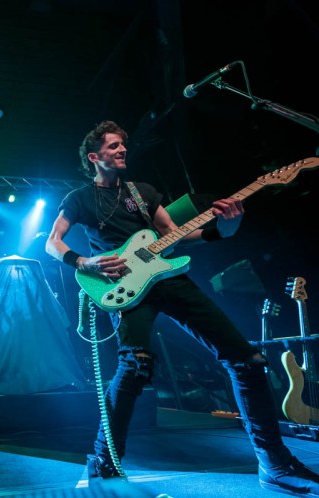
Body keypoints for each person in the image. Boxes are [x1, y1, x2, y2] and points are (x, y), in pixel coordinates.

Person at [45, 120, 319, 497]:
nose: (123, 149)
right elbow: (53, 242)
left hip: (168, 278)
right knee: (135, 365)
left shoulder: (143, 191)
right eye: (113, 146)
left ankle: (274, 464)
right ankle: (104, 459)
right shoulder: (79, 198)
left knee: (248, 359)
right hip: (125, 286)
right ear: (94, 157)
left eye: (123, 144)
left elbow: (175, 234)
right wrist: (84, 262)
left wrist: (226, 227)